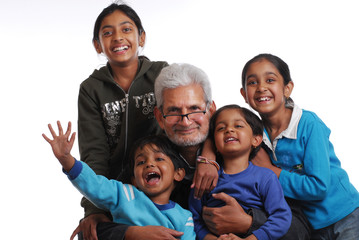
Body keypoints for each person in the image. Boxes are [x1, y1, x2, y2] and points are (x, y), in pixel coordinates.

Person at [98, 63, 275, 240]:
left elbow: (298, 225)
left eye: (194, 109)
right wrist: (132, 233)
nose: (185, 121)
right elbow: (94, 229)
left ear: (211, 110)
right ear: (160, 117)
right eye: (174, 111)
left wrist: (249, 222)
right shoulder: (148, 160)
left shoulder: (244, 150)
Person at [240, 53, 359, 239]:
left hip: (344, 214)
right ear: (244, 95)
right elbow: (222, 127)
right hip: (309, 225)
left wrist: (273, 171)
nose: (261, 87)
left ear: (287, 88)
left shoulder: (308, 123)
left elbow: (319, 187)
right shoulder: (254, 134)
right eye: (252, 82)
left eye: (270, 80)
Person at [75, 3, 169, 239]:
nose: (118, 38)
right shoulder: (91, 89)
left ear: (141, 37)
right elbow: (94, 153)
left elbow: (190, 120)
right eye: (107, 33)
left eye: (126, 29)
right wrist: (94, 209)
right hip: (117, 192)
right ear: (98, 44)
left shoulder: (161, 74)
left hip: (164, 184)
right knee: (94, 232)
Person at [42, 121, 196, 239]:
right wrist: (67, 160)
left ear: (178, 174)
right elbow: (94, 185)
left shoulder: (185, 218)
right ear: (134, 180)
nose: (150, 164)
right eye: (141, 162)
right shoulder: (125, 194)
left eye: (159, 159)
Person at [189, 104, 292, 240]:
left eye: (238, 126)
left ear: (256, 139)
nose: (229, 130)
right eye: (221, 128)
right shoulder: (206, 177)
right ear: (215, 143)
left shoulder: (266, 177)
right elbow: (192, 219)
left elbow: (281, 218)